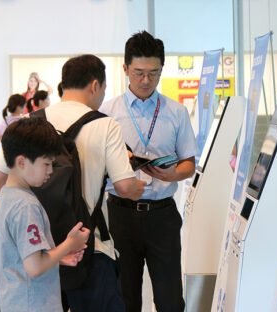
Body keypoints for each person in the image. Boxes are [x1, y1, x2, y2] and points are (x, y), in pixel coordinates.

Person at [0, 54, 146, 312]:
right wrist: (139, 189)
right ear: (95, 86)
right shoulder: (105, 124)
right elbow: (125, 187)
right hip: (87, 246)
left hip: (40, 255)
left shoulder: (30, 121)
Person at [100, 31, 199, 312]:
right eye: (138, 73)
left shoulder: (176, 112)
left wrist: (173, 174)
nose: (146, 81)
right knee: (124, 298)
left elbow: (189, 164)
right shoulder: (107, 114)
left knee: (169, 300)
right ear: (125, 69)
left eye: (153, 74)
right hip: (120, 215)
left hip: (162, 216)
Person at [0, 117, 90, 312]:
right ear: (21, 162)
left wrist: (59, 256)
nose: (50, 171)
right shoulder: (25, 205)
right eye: (46, 164)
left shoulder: (7, 194)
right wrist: (70, 244)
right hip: (34, 304)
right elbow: (35, 267)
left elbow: (22, 257)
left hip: (16, 302)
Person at [0, 94, 26, 175]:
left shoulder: (4, 123)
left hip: (6, 161)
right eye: (24, 106)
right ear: (19, 107)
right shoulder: (25, 121)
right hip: (23, 161)